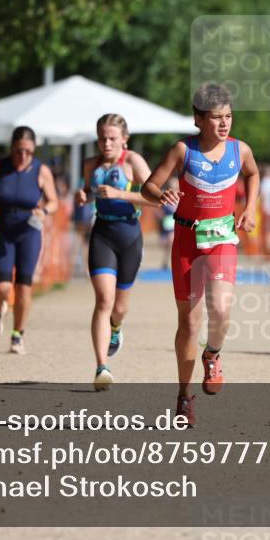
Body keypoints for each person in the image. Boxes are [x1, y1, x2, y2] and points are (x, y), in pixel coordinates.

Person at [142, 83, 259, 426]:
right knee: (190, 323)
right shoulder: (183, 151)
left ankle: (213, 355)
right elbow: (149, 186)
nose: (224, 124)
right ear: (198, 119)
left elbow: (253, 173)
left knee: (220, 309)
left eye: (228, 117)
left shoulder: (240, 150)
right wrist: (160, 195)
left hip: (221, 238)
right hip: (187, 241)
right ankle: (184, 396)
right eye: (216, 117)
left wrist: (250, 207)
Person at [75, 114, 156, 391]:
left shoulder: (133, 162)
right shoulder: (91, 164)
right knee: (103, 300)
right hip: (102, 234)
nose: (106, 143)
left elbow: (156, 198)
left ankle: (116, 328)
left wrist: (120, 194)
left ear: (124, 139)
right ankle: (102, 367)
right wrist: (84, 195)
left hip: (129, 235)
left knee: (119, 309)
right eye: (102, 138)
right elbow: (88, 190)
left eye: (112, 138)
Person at [0, 126, 59, 354]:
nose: (23, 156)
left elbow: (54, 201)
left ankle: (17, 335)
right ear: (12, 148)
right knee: (2, 287)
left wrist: (45, 211)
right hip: (3, 231)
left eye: (28, 152)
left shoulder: (41, 171)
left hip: (29, 232)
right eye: (19, 151)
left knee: (23, 287)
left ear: (34, 150)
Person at [158, 177, 178, 270]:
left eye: (175, 186)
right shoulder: (165, 196)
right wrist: (160, 216)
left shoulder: (181, 196)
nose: (173, 188)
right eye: (171, 186)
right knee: (167, 243)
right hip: (167, 222)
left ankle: (171, 262)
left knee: (172, 241)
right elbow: (159, 209)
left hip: (177, 222)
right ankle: (166, 261)